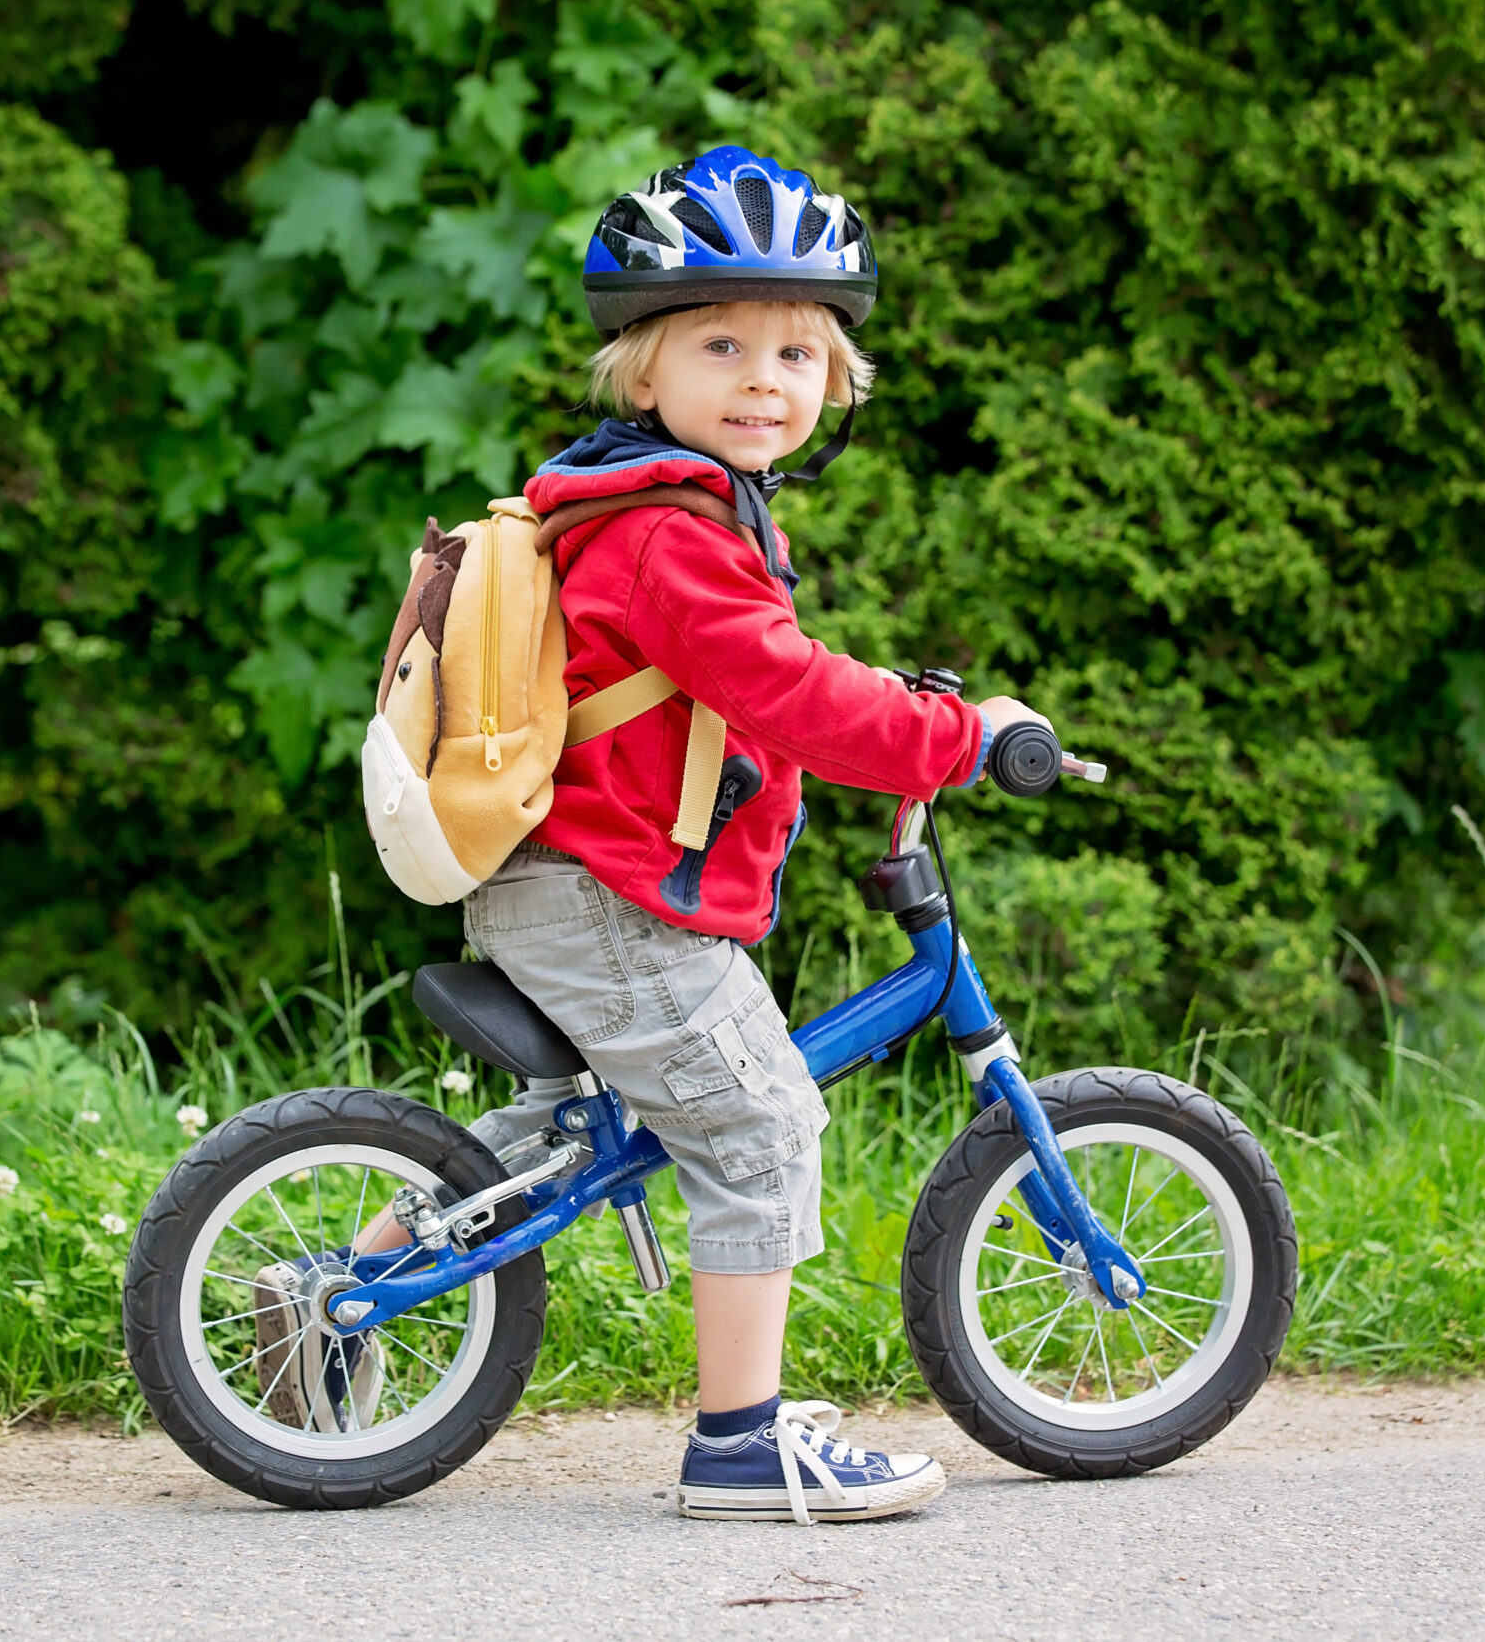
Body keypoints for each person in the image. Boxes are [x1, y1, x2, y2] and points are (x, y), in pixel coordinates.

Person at [441, 147, 1043, 1523]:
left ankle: (315, 1309)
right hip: (608, 894)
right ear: (644, 371)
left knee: (545, 1144)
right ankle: (738, 1443)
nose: (764, 375)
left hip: (571, 880)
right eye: (722, 342)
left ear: (835, 377)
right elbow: (788, 688)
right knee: (762, 1124)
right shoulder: (671, 529)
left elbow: (760, 667)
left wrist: (897, 703)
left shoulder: (660, 506)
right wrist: (951, 736)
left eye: (796, 347)